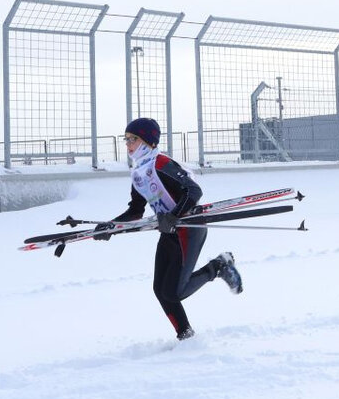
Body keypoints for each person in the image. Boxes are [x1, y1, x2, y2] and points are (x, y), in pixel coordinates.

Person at [94, 117, 242, 340]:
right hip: (169, 230)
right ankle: (185, 334)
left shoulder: (160, 163)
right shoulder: (138, 173)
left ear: (148, 141)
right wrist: (111, 227)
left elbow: (193, 191)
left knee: (174, 292)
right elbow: (135, 211)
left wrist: (173, 216)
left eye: (132, 139)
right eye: (126, 139)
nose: (128, 144)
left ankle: (219, 266)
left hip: (189, 228)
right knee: (160, 289)